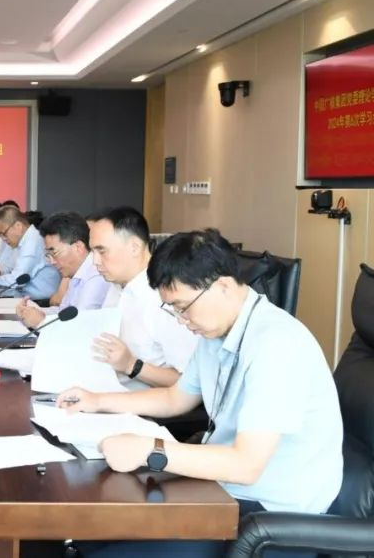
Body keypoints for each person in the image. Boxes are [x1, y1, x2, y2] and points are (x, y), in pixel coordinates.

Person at [58, 229, 342, 558]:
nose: (182, 321)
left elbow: (246, 465)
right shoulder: (217, 332)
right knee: (90, 533)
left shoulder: (277, 344)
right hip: (223, 491)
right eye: (173, 310)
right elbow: (176, 398)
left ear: (222, 286)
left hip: (269, 517)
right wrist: (97, 401)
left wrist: (151, 450)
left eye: (183, 307)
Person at [90, 206, 197, 388]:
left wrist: (132, 365)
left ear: (135, 247)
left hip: (138, 401)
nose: (95, 261)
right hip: (101, 387)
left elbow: (190, 381)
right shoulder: (116, 286)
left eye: (102, 251)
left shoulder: (167, 297)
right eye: (92, 252)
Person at [16, 212, 112, 327]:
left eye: (55, 253)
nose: (52, 262)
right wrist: (32, 312)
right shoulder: (76, 273)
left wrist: (40, 322)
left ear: (78, 247)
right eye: (48, 255)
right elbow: (62, 311)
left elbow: (79, 327)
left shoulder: (96, 276)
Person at [0, 204, 60, 300]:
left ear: (18, 226)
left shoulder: (32, 242)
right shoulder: (21, 241)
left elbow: (17, 279)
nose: (3, 239)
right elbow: (10, 267)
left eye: (4, 234)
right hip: (22, 295)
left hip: (40, 302)